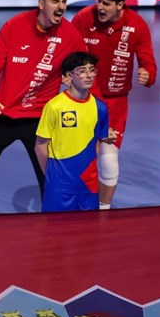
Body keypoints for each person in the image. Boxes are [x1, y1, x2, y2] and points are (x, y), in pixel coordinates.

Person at [0, 0, 86, 215]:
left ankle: (56, 222)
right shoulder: (14, 26)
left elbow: (86, 75)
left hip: (41, 119)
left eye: (64, 1)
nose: (61, 6)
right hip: (5, 113)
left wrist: (93, 115)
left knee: (49, 176)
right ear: (41, 4)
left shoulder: (71, 35)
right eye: (55, 1)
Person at [72, 0, 157, 209]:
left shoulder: (137, 25)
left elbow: (148, 62)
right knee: (83, 158)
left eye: (106, 3)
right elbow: (69, 54)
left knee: (109, 160)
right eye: (99, 1)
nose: (100, 7)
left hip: (116, 103)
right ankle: (78, 206)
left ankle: (103, 212)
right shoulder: (83, 18)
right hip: (85, 100)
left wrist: (148, 75)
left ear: (120, 5)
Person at [35, 52, 111, 212]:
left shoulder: (100, 108)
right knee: (55, 228)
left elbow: (98, 142)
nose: (89, 75)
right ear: (69, 75)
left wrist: (87, 169)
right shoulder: (54, 106)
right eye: (82, 71)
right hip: (59, 187)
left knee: (88, 228)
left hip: (88, 186)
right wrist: (52, 175)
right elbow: (40, 145)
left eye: (92, 70)